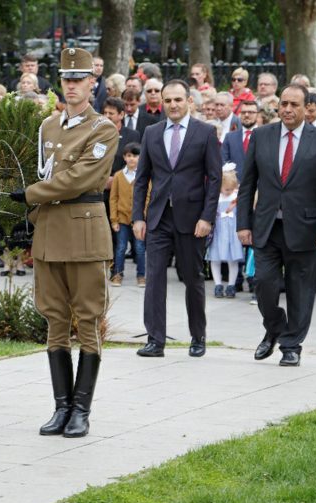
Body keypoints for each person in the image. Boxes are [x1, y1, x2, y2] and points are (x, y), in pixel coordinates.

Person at [8, 47, 118, 438]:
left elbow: (81, 179)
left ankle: (82, 409)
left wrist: (33, 194)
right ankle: (61, 407)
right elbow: (48, 171)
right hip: (51, 231)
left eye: (79, 79)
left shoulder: (103, 128)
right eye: (67, 79)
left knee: (87, 320)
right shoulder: (47, 128)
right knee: (54, 320)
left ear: (93, 83)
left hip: (85, 231)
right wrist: (29, 218)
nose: (72, 85)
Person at [236, 83, 316, 367]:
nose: (287, 109)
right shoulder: (261, 136)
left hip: (306, 229)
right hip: (266, 227)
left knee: (300, 290)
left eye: (294, 104)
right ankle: (275, 326)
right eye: (283, 103)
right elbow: (246, 184)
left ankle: (291, 345)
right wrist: (243, 224)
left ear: (307, 108)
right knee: (264, 286)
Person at [132, 79, 222, 358]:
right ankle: (155, 340)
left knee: (193, 279)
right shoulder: (151, 132)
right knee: (154, 278)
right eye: (168, 100)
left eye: (178, 100)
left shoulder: (205, 132)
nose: (172, 104)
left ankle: (198, 337)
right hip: (158, 218)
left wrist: (207, 217)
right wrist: (138, 216)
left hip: (192, 219)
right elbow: (141, 178)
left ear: (188, 102)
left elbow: (215, 178)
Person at [110, 142, 147, 287]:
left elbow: (148, 196)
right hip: (122, 219)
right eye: (129, 156)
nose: (132, 159)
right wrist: (114, 220)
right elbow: (113, 198)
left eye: (135, 156)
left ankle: (141, 275)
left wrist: (144, 217)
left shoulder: (144, 175)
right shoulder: (118, 176)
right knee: (120, 247)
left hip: (138, 220)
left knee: (139, 248)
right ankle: (117, 274)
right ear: (124, 157)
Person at [207, 170, 244, 298]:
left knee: (232, 259)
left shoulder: (236, 196)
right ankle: (218, 284)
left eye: (232, 188)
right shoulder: (216, 196)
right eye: (227, 189)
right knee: (215, 259)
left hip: (232, 233)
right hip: (218, 232)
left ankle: (231, 285)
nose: (229, 191)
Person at [221, 100, 258, 181]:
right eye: (243, 112)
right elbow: (223, 162)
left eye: (251, 112)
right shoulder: (230, 137)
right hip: (234, 188)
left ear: (258, 114)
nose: (246, 115)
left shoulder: (266, 136)